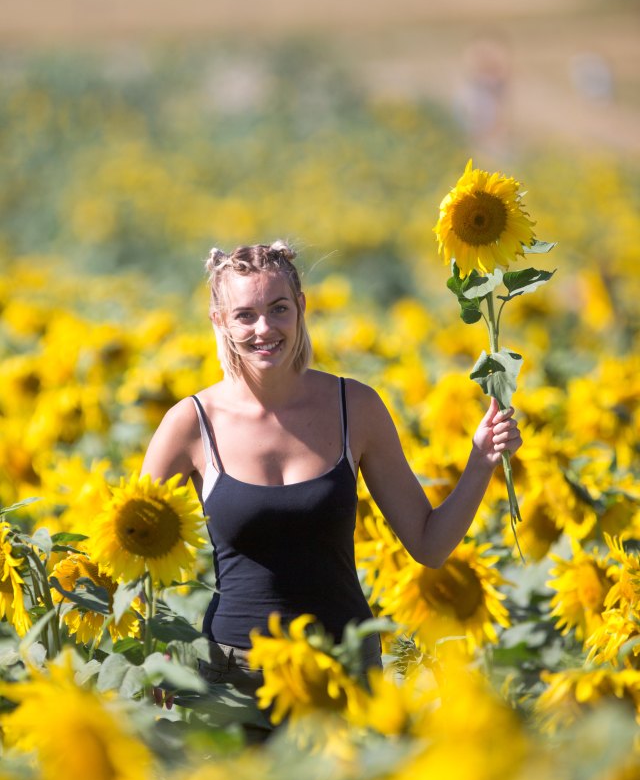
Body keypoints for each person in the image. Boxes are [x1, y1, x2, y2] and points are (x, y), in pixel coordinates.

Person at [141, 240, 522, 728]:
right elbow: (131, 548)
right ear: (220, 321)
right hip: (232, 676)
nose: (264, 329)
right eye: (245, 315)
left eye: (278, 309)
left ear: (301, 308)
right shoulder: (192, 423)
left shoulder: (355, 408)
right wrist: (158, 644)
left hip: (347, 668)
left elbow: (428, 545)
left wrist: (481, 461)